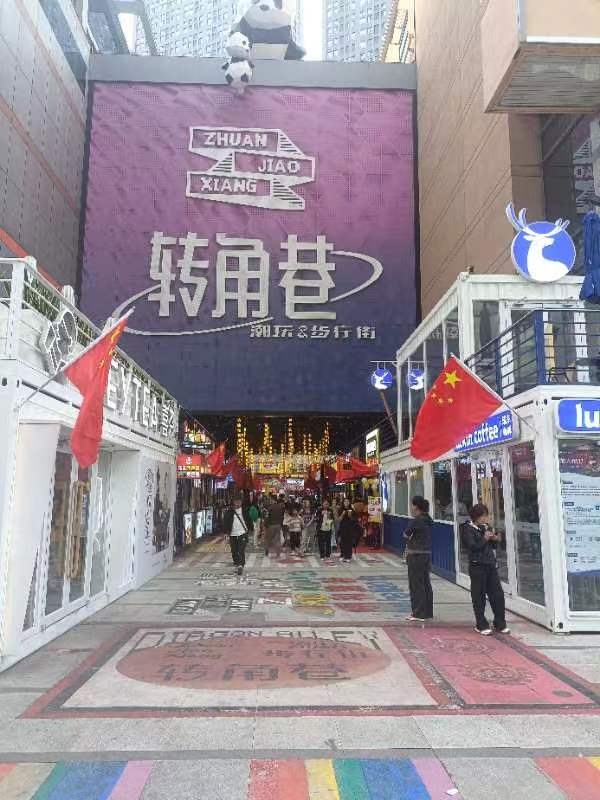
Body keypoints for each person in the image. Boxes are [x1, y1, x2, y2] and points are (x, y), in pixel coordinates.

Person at [460, 504, 509, 635]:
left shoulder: (486, 527)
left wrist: (495, 539)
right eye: (482, 516)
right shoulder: (467, 529)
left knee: (497, 595)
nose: (484, 518)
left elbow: (491, 545)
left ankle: (500, 623)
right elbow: (473, 547)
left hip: (490, 565)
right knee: (479, 596)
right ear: (475, 516)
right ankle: (481, 624)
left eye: (485, 516)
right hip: (477, 566)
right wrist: (485, 538)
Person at [404, 496, 434, 621]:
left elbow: (406, 534)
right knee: (425, 583)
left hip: (415, 555)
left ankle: (418, 613)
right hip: (426, 554)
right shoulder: (428, 519)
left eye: (412, 505)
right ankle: (427, 612)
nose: (411, 508)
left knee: (416, 584)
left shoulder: (416, 521)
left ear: (416, 506)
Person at [223, 496, 251, 575]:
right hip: (232, 534)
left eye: (239, 501)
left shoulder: (245, 511)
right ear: (233, 502)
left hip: (242, 533)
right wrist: (226, 533)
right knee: (234, 550)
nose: (238, 503)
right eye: (236, 501)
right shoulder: (229, 512)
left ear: (241, 502)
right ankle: (237, 563)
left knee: (241, 550)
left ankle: (241, 565)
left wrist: (249, 529)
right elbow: (225, 522)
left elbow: (249, 520)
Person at [264, 493, 285, 557]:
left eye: (271, 499)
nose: (270, 501)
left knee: (268, 539)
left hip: (271, 526)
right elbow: (282, 516)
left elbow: (267, 517)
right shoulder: (280, 507)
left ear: (273, 500)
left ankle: (267, 550)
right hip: (278, 525)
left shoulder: (270, 508)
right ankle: (278, 552)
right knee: (277, 539)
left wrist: (265, 525)